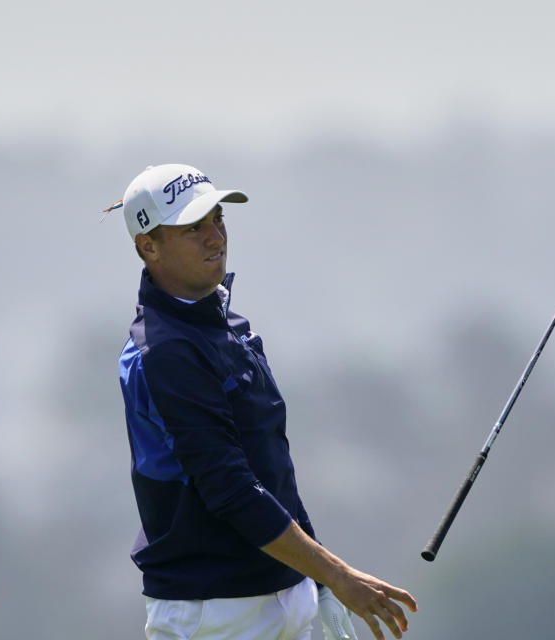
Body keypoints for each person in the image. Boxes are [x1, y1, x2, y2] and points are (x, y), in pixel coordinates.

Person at [108, 163, 417, 640]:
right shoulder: (167, 352)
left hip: (280, 595)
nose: (216, 237)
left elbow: (271, 468)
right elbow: (230, 487)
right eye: (194, 228)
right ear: (148, 246)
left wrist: (319, 579)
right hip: (212, 615)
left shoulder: (229, 328)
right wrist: (338, 575)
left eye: (217, 220)